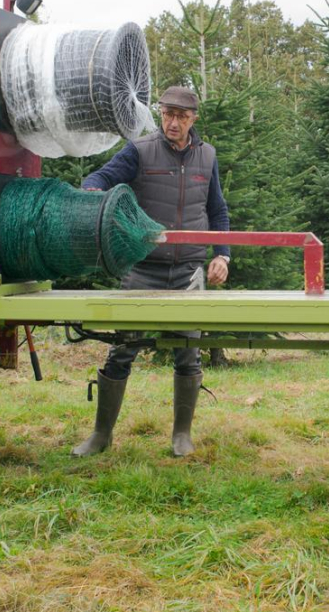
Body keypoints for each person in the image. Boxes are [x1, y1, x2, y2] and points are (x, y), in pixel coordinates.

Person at [73, 85, 231, 457]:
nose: (172, 122)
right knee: (122, 350)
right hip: (142, 270)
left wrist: (222, 255)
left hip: (189, 272)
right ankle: (101, 434)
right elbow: (102, 176)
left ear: (194, 119)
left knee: (188, 353)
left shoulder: (207, 157)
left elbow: (218, 209)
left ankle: (181, 435)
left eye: (181, 116)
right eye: (167, 114)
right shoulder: (140, 151)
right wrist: (92, 190)